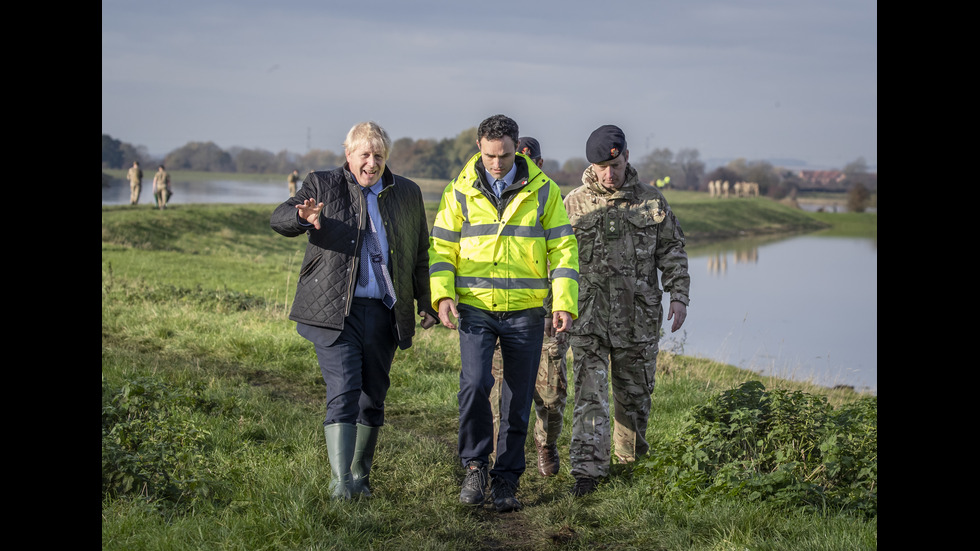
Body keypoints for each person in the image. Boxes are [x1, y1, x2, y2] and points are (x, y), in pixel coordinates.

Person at [271, 121, 438, 500]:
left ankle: (360, 479)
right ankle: (339, 483)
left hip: (384, 312)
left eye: (379, 155)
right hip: (335, 312)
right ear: (349, 155)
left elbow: (421, 254)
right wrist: (303, 218)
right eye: (365, 154)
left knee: (372, 396)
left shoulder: (407, 193)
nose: (372, 163)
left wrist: (426, 301)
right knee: (344, 390)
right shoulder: (323, 183)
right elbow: (279, 218)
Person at [429, 114, 579, 512]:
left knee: (516, 400)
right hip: (475, 307)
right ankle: (476, 466)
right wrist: (442, 296)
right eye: (491, 155)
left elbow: (564, 250)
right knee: (475, 385)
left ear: (518, 149)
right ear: (479, 147)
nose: (498, 163)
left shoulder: (544, 191)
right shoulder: (458, 191)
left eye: (506, 155)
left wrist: (563, 301)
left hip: (526, 312)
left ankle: (507, 480)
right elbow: (442, 248)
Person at [563, 125, 690, 497]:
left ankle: (629, 464)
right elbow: (555, 261)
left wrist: (679, 295)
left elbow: (673, 252)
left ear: (626, 157)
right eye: (601, 166)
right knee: (590, 395)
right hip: (587, 317)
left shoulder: (652, 202)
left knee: (634, 397)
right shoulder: (572, 204)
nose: (608, 173)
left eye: (614, 164)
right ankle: (587, 472)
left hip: (638, 318)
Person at [488, 136, 569, 478]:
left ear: (539, 162)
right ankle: (498, 462)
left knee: (550, 399)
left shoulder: (551, 200)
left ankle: (544, 443)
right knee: (497, 399)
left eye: (528, 159)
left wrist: (563, 304)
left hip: (545, 316)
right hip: (497, 313)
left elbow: (567, 256)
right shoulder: (490, 200)